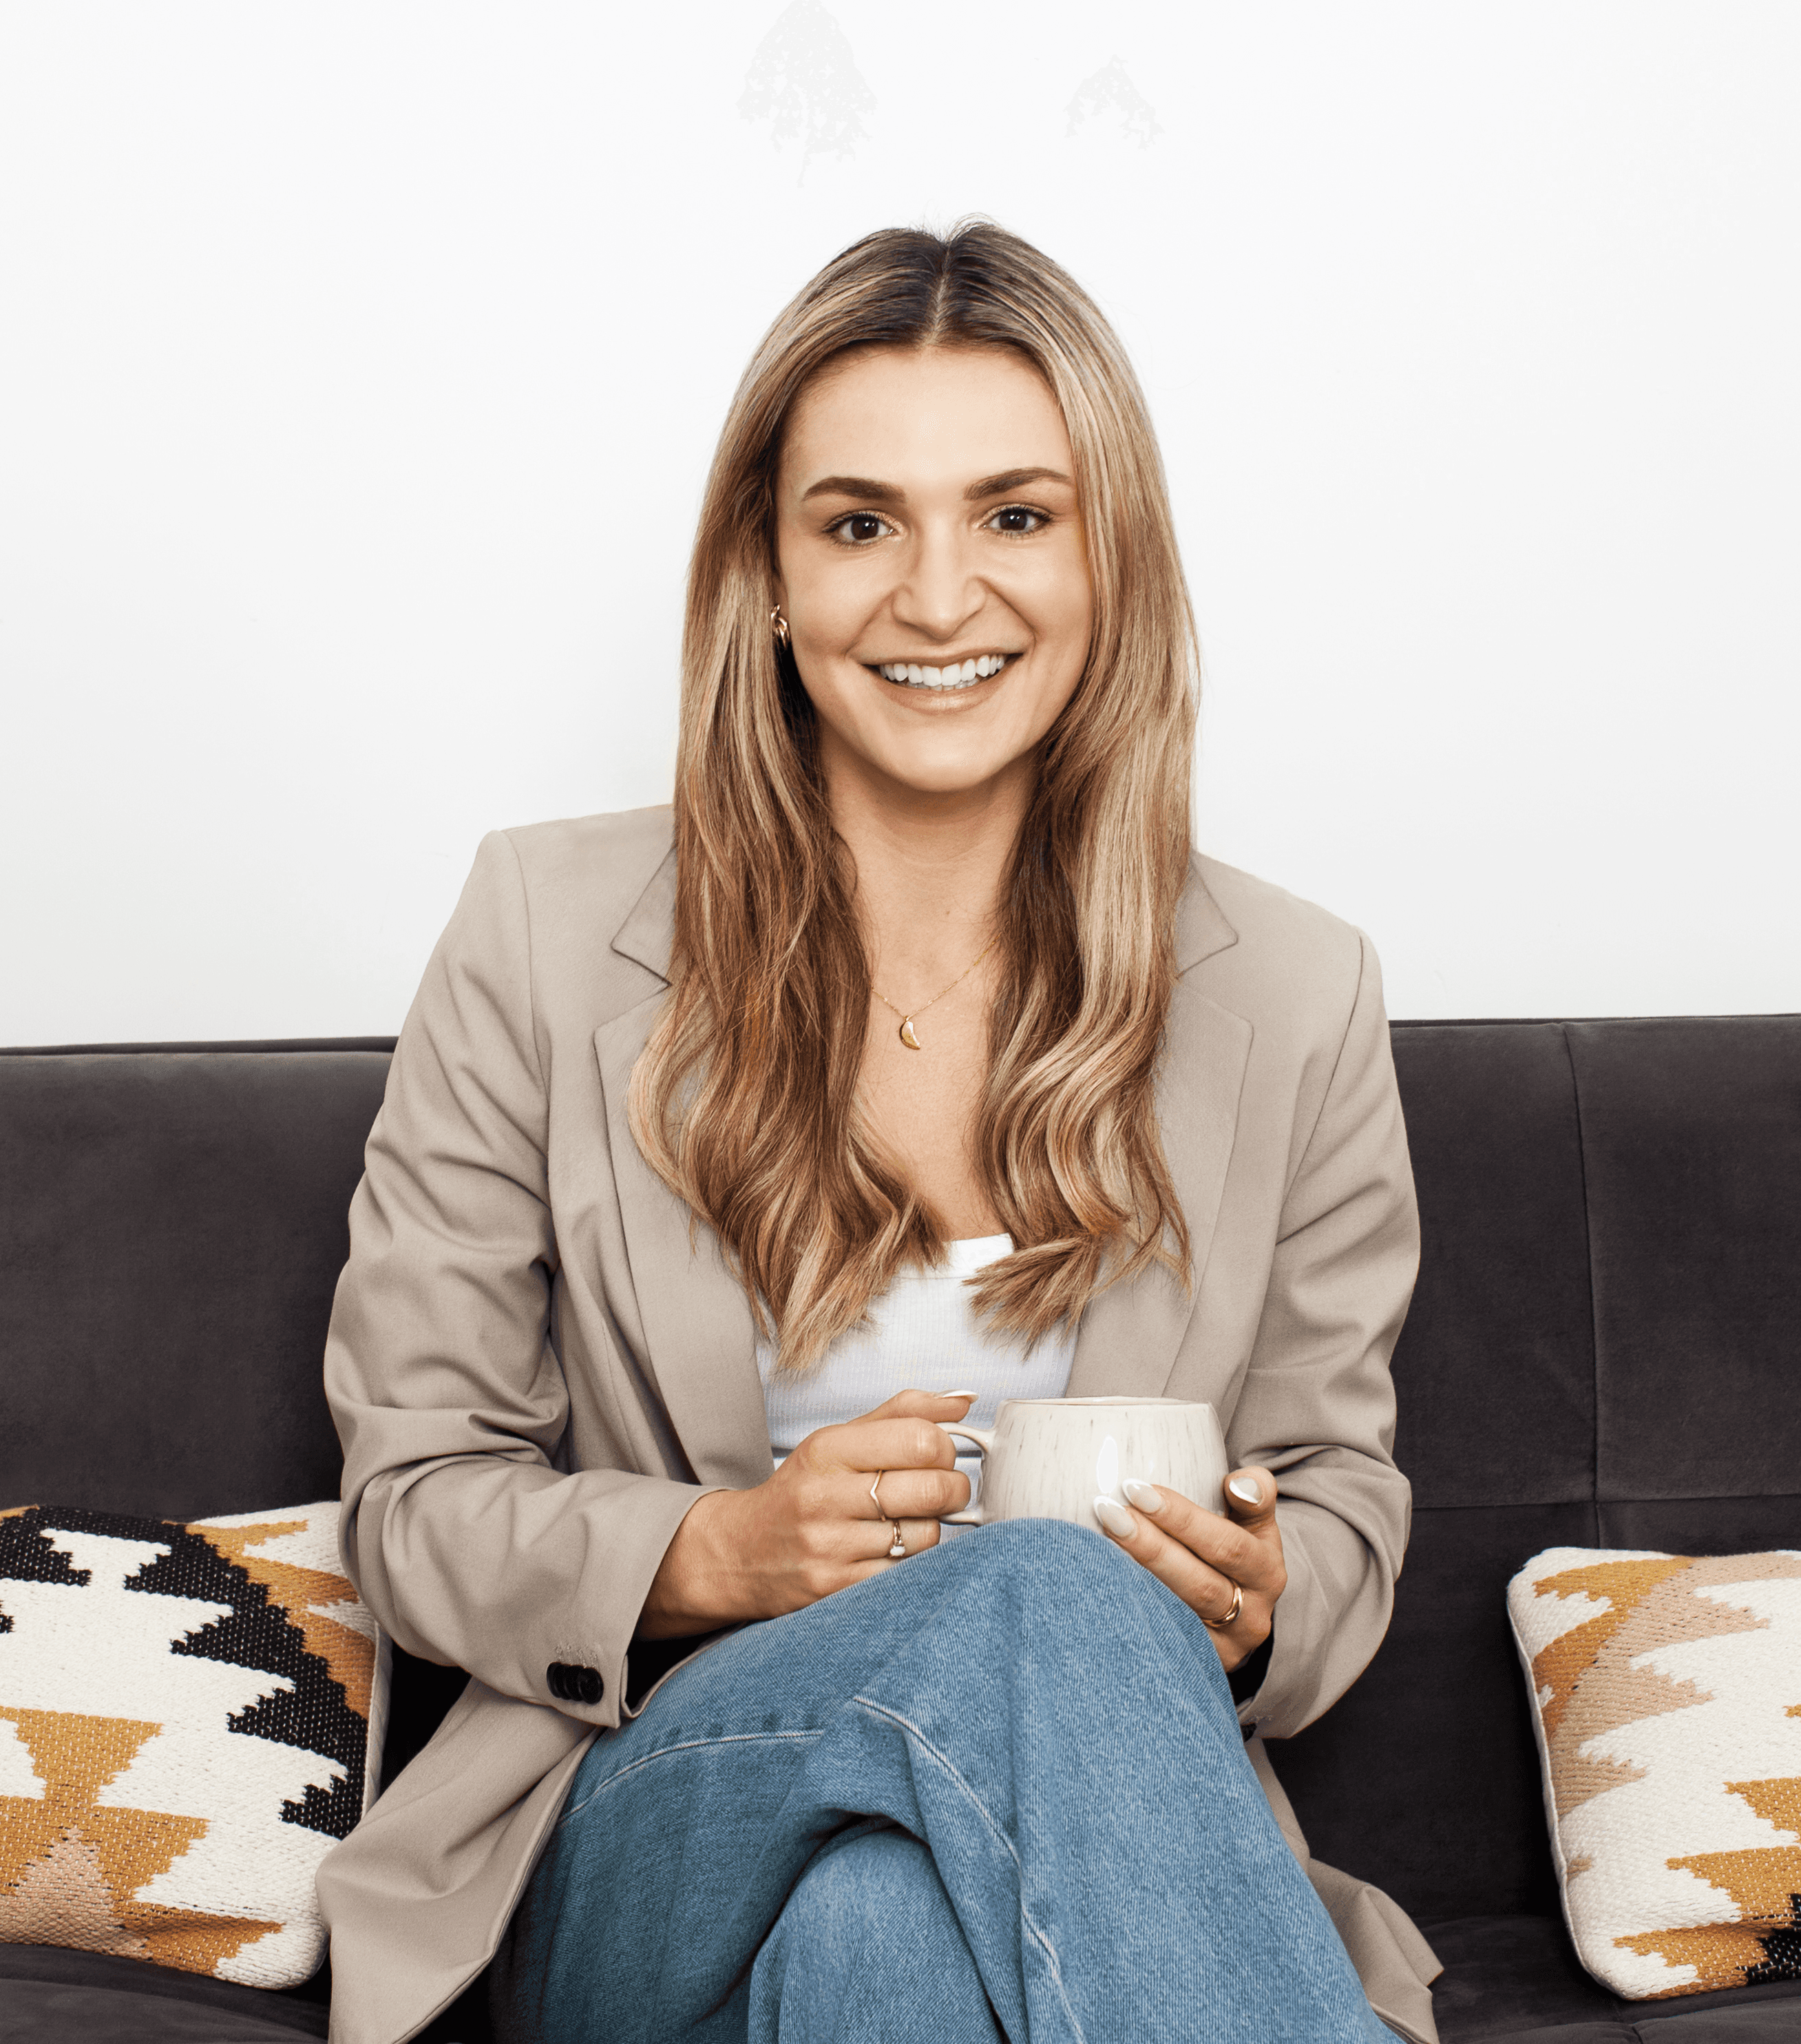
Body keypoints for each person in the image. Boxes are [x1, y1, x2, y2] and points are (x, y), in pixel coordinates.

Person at [317, 221, 1438, 2044]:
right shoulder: (538, 930)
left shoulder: (1293, 990)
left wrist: (1261, 1588)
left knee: (877, 1933)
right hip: (637, 1832)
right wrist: (715, 1554)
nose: (935, 599)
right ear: (763, 573)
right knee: (1023, 1593)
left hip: (1075, 1867)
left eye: (1013, 515)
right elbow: (413, 1498)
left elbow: (1340, 1491)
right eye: (858, 523)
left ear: (1110, 562)